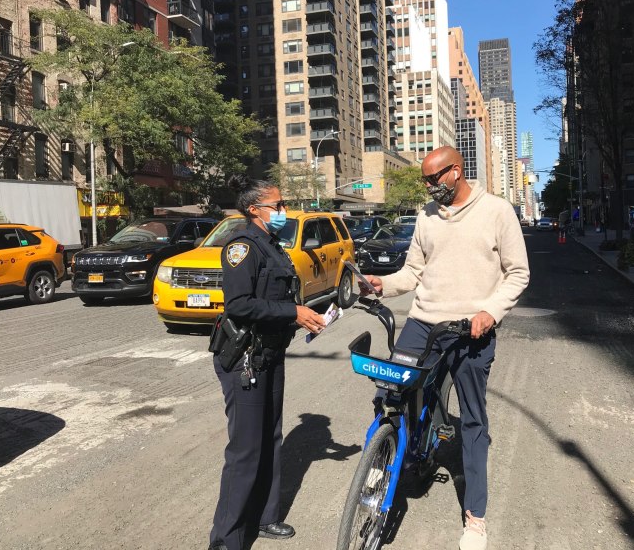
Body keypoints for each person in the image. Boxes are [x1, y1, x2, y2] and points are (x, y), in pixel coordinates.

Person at [360, 146, 530, 550]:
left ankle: (475, 517)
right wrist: (383, 284)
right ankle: (385, 459)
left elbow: (518, 273)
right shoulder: (426, 217)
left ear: (456, 171)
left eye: (434, 178)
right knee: (390, 390)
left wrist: (490, 311)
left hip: (472, 329)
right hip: (422, 322)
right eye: (425, 179)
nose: (428, 186)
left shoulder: (496, 211)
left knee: (472, 420)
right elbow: (413, 272)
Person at [209, 177, 326, 550]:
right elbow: (239, 304)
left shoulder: (273, 246)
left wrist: (299, 318)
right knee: (246, 450)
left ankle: (265, 517)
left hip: (272, 353)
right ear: (254, 210)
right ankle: (226, 540)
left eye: (282, 204)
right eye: (277, 205)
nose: (283, 211)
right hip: (245, 357)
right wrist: (293, 310)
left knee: (271, 438)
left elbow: (275, 298)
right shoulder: (242, 247)